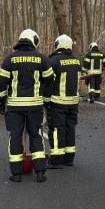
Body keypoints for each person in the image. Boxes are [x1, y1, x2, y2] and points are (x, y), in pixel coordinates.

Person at [0, 29, 54, 182]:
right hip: (35, 106)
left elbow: (2, 83)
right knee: (36, 135)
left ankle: (16, 173)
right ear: (34, 41)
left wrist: (0, 102)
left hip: (14, 107)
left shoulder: (9, 59)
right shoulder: (42, 58)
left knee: (15, 136)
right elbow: (50, 79)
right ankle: (40, 171)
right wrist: (45, 99)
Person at [43, 34, 81, 168]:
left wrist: (46, 101)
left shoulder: (54, 61)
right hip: (73, 103)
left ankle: (57, 160)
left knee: (57, 130)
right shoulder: (77, 61)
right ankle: (69, 158)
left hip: (57, 103)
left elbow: (48, 83)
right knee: (70, 129)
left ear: (57, 44)